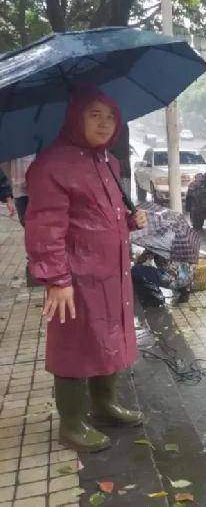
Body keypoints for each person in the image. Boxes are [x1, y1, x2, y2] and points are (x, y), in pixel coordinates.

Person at [24, 86, 148, 453]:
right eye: (94, 114)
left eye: (110, 116)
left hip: (112, 274)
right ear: (75, 117)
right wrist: (56, 279)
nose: (104, 123)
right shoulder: (52, 165)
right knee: (75, 345)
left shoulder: (108, 163)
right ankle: (73, 424)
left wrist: (129, 220)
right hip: (74, 278)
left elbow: (101, 217)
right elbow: (45, 226)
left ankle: (105, 404)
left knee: (107, 336)